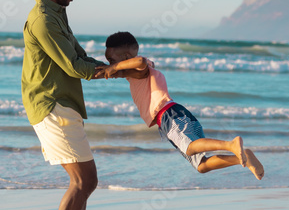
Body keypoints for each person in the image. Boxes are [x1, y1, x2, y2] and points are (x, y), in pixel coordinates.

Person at [22, 0, 107, 210]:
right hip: (50, 105)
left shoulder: (56, 14)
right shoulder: (43, 19)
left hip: (63, 104)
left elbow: (81, 56)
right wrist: (116, 71)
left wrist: (124, 67)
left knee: (81, 182)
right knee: (86, 181)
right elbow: (75, 67)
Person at [102, 31, 265, 180]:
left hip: (169, 114)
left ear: (125, 56)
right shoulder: (136, 71)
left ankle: (231, 145)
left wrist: (115, 67)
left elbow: (140, 61)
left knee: (190, 148)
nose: (109, 64)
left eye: (111, 60)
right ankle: (242, 157)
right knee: (201, 165)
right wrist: (113, 68)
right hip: (172, 116)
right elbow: (126, 70)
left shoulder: (141, 67)